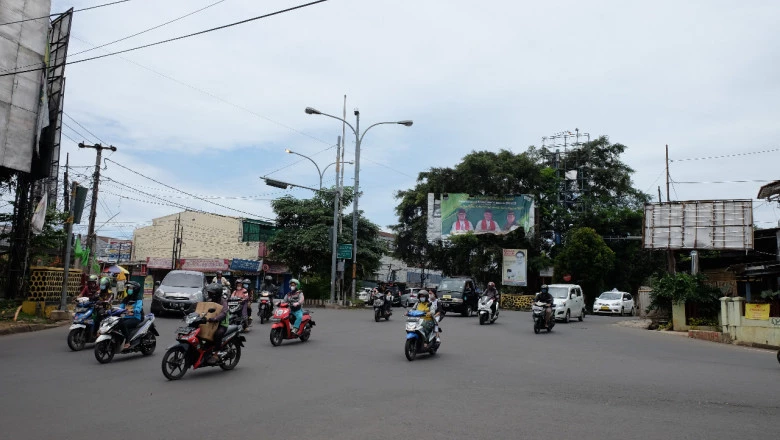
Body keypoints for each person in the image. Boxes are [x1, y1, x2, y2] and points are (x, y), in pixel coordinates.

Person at [203, 283, 229, 363]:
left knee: (218, 334)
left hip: (222, 323)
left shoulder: (223, 302)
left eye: (211, 293)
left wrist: (215, 318)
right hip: (211, 321)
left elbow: (224, 313)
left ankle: (216, 354)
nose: (209, 294)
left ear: (216, 294)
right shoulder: (210, 301)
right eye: (209, 293)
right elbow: (203, 308)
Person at [117, 281, 143, 350]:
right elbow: (120, 308)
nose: (129, 289)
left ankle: (127, 342)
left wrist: (133, 310)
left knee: (124, 324)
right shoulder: (126, 298)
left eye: (131, 288)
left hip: (135, 318)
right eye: (128, 288)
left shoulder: (138, 299)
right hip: (126, 317)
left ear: (135, 289)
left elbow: (138, 308)